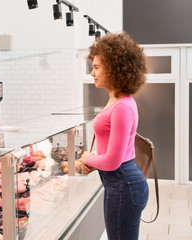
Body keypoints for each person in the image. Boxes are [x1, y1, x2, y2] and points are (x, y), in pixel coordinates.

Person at [78, 32, 148, 240]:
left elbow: (113, 160)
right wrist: (94, 162)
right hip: (120, 184)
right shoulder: (118, 101)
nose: (92, 73)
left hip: (123, 185)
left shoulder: (122, 107)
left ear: (115, 68)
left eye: (97, 67)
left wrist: (86, 158)